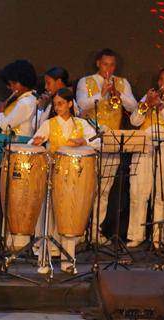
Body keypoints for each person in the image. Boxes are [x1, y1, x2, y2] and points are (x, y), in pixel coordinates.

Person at [29, 88, 98, 273]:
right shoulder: (49, 124)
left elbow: (98, 141)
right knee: (48, 216)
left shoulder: (81, 124)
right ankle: (44, 260)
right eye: (55, 104)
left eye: (61, 103)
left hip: (75, 178)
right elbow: (32, 143)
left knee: (70, 216)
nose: (57, 107)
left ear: (69, 104)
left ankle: (68, 262)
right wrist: (36, 143)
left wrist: (84, 142)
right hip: (53, 175)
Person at [76, 49, 137, 237]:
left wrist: (118, 94)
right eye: (105, 64)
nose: (108, 68)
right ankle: (79, 230)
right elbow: (81, 106)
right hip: (89, 141)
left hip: (111, 142)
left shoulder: (122, 82)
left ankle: (95, 231)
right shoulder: (85, 82)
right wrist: (101, 94)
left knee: (104, 190)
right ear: (98, 63)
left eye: (111, 65)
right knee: (87, 189)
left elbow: (133, 106)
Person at [127, 67, 164, 248]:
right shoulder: (148, 98)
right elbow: (134, 121)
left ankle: (157, 236)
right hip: (145, 146)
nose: (163, 83)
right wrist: (145, 104)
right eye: (161, 79)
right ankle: (136, 234)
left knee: (162, 194)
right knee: (138, 191)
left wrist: (161, 106)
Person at [0, 60, 39, 252]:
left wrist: (0, 112)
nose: (11, 87)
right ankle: (12, 240)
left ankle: (17, 243)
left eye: (14, 83)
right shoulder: (27, 100)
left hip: (20, 155)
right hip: (18, 153)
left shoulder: (25, 102)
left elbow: (6, 125)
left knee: (17, 199)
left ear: (22, 82)